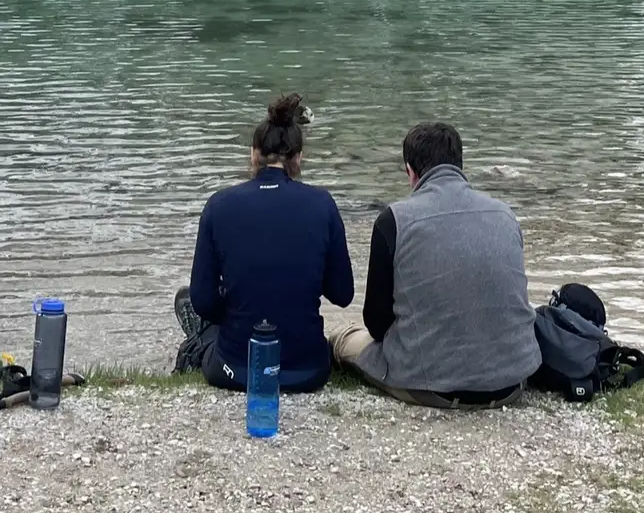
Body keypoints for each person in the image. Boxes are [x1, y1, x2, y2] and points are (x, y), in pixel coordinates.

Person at [330, 121, 540, 408]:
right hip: (512, 381)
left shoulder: (394, 219)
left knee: (344, 337)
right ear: (460, 165)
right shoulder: (505, 214)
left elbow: (376, 325)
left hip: (431, 385)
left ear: (410, 172)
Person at [174, 92, 354, 393]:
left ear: (254, 154)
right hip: (308, 371)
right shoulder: (323, 204)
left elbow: (203, 301)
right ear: (298, 157)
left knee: (210, 326)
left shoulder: (219, 205)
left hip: (236, 371)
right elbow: (343, 294)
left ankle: (201, 337)